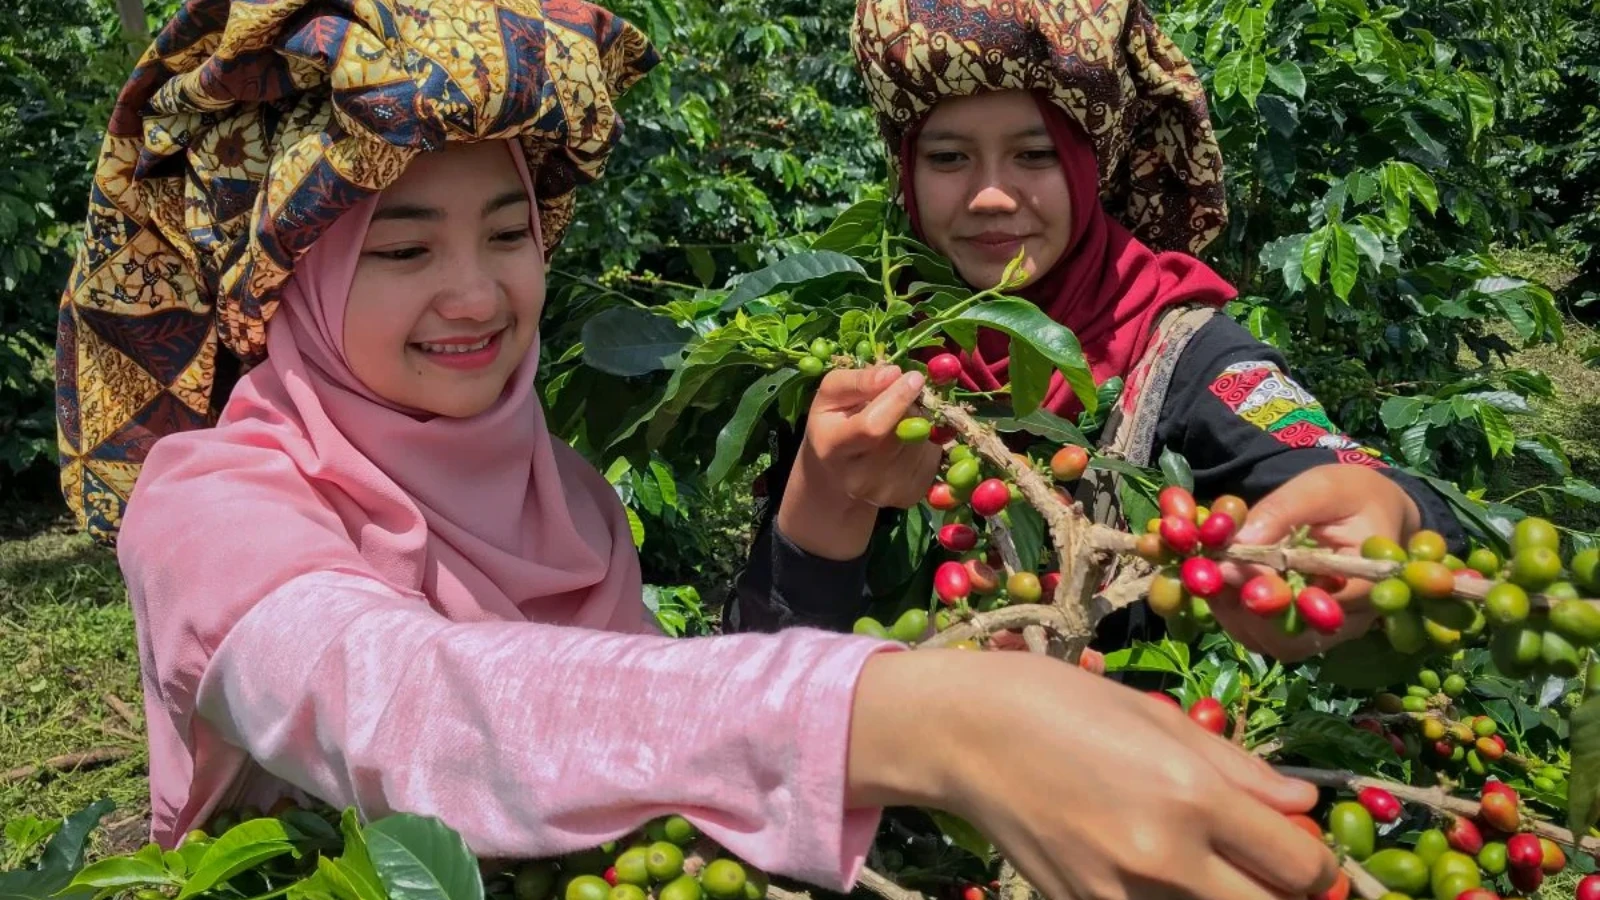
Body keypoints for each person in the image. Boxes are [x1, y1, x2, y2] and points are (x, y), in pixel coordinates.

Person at [55, 2, 1345, 898]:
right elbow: (403, 704)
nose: (475, 294)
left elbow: (647, 753)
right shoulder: (210, 505)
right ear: (291, 278)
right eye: (399, 248)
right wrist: (915, 715)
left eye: (508, 233)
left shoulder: (562, 498)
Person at [729, 0, 1466, 661]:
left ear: (1090, 165)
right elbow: (759, 670)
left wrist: (1389, 511)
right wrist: (826, 499)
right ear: (906, 173)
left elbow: (1343, 473)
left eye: (1036, 154)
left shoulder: (1177, 354)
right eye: (948, 157)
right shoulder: (867, 361)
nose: (989, 195)